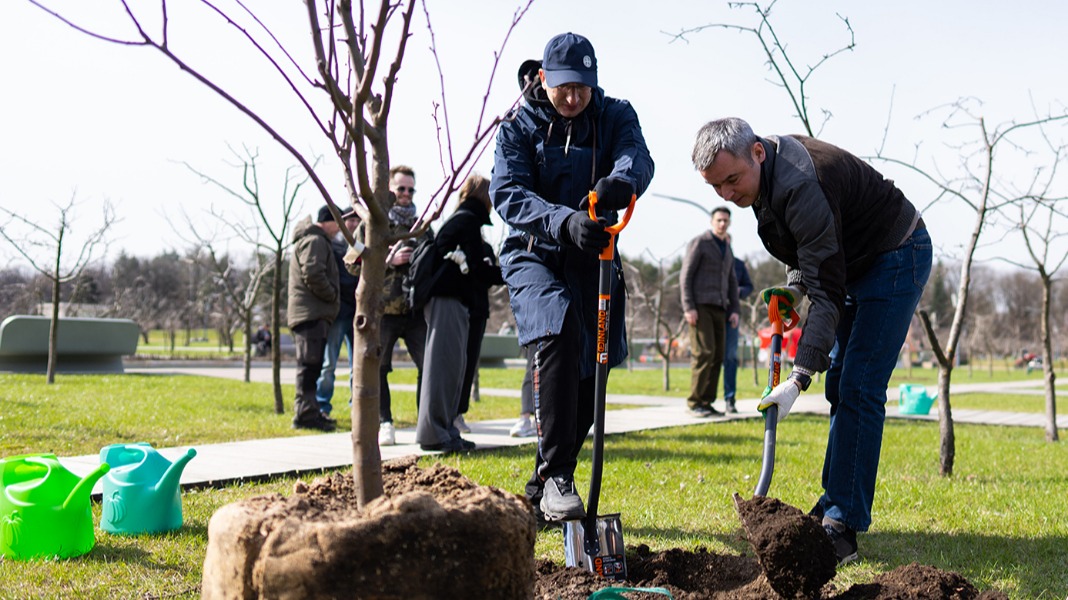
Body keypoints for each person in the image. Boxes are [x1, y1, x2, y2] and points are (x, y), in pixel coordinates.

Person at [691, 117, 932, 564]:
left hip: (896, 252)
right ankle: (833, 502)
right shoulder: (763, 186)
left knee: (859, 384)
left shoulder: (803, 183)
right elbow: (812, 260)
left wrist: (799, 377)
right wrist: (794, 289)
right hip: (853, 264)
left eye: (731, 180)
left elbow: (828, 292)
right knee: (841, 383)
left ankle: (842, 524)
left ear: (757, 153)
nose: (726, 195)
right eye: (716, 187)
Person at [490, 32, 655, 523]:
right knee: (558, 329)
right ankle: (561, 475)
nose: (574, 98)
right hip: (533, 252)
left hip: (593, 255)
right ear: (544, 78)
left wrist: (619, 182)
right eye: (564, 88)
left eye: (583, 88)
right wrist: (562, 220)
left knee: (594, 367)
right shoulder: (518, 126)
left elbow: (637, 156)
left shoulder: (614, 113)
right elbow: (508, 192)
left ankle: (541, 483)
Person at [415, 174, 504, 452]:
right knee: (442, 368)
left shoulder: (464, 220)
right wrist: (511, 273)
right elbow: (476, 268)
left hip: (453, 300)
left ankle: (445, 430)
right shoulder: (466, 221)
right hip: (447, 300)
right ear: (484, 196)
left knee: (453, 368)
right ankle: (434, 434)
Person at [375, 165, 429, 446]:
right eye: (401, 189)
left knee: (427, 365)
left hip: (416, 309)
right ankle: (385, 422)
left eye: (410, 189)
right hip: (383, 310)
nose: (406, 194)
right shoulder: (376, 222)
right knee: (379, 367)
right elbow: (352, 261)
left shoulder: (422, 225)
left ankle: (425, 421)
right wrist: (387, 260)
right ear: (391, 190)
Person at [680, 206, 740, 417]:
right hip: (700, 307)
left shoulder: (728, 247)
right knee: (703, 353)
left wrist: (735, 309)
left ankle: (707, 402)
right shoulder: (701, 243)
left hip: (721, 308)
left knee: (717, 356)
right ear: (712, 221)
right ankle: (695, 402)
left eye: (726, 220)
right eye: (719, 220)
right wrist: (689, 307)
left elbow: (732, 280)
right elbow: (685, 276)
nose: (722, 224)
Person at [286, 204, 342, 432]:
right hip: (311, 315)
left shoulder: (313, 239)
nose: (339, 229)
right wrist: (332, 294)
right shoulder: (316, 240)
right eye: (337, 222)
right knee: (309, 366)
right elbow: (313, 272)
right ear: (328, 221)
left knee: (312, 366)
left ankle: (308, 411)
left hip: (310, 314)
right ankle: (306, 414)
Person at [453, 238, 504, 435]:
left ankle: (458, 413)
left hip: (478, 312)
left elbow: (491, 277)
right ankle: (445, 412)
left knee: (469, 363)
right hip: (457, 308)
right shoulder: (455, 245)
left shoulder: (485, 248)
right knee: (454, 363)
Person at [315, 207, 361, 416]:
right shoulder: (333, 246)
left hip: (357, 314)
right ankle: (323, 404)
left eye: (356, 220)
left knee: (357, 365)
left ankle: (357, 407)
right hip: (337, 313)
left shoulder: (363, 247)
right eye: (349, 220)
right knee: (328, 364)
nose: (352, 224)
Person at [722, 247, 754, 413]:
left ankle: (730, 398)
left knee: (731, 357)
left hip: (731, 315)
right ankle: (704, 401)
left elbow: (749, 286)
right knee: (710, 357)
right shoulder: (712, 260)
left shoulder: (739, 265)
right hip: (711, 312)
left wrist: (738, 292)